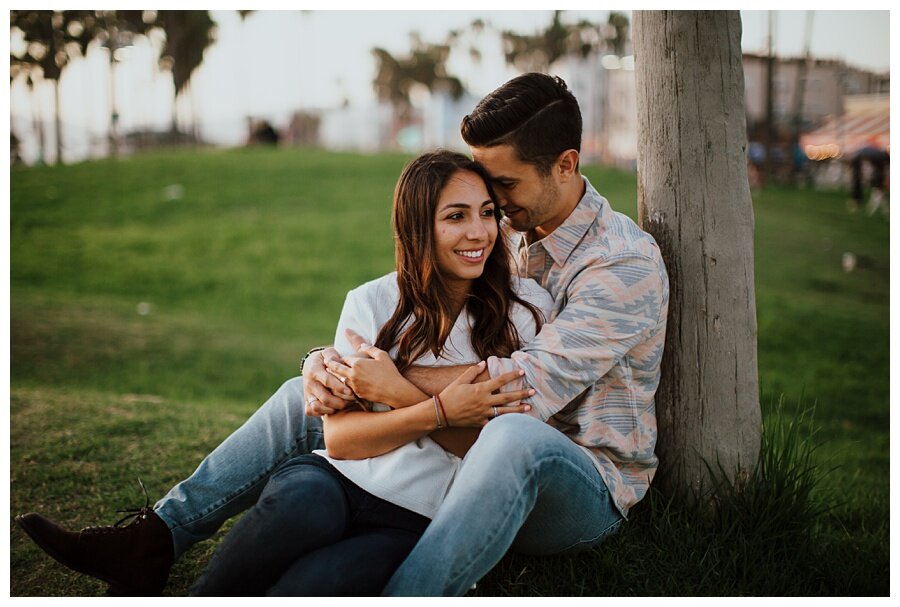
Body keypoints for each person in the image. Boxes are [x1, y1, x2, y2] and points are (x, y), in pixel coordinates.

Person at [17, 73, 669, 596]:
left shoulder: (621, 264)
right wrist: (331, 365)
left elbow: (519, 394)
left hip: (582, 478)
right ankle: (155, 539)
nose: (489, 208)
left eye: (502, 187)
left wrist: (386, 378)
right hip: (471, 448)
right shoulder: (514, 234)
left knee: (511, 436)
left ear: (566, 164)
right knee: (303, 392)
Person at [188, 150, 550, 595]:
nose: (478, 232)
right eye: (456, 216)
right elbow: (340, 439)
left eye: (488, 213)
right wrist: (441, 411)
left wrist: (396, 390)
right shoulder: (371, 302)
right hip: (335, 479)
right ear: (418, 226)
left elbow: (489, 452)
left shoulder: (526, 314)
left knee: (313, 584)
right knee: (292, 515)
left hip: (419, 517)